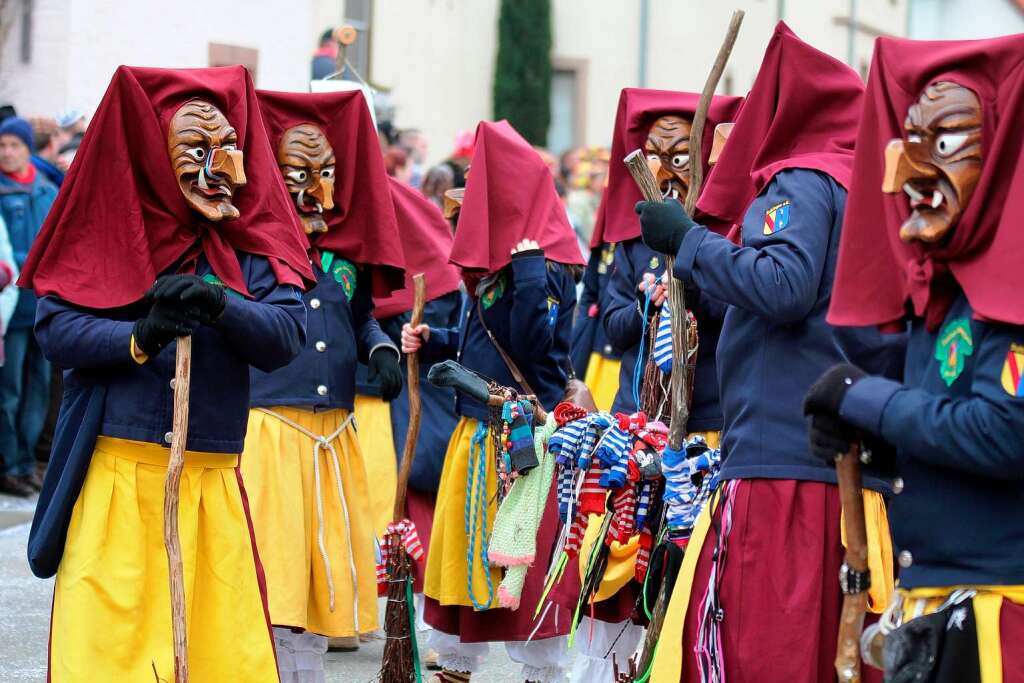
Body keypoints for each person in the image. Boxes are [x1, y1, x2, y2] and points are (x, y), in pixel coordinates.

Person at [21, 65, 313, 682]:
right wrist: (139, 336)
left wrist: (221, 303)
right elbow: (56, 329)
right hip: (118, 481)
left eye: (225, 147)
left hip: (212, 487)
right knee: (110, 656)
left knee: (218, 656)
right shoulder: (106, 229)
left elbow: (285, 336)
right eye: (196, 150)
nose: (220, 166)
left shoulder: (252, 241)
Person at [639, 24, 900, 683]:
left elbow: (784, 287)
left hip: (784, 471)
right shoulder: (858, 186)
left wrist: (689, 245)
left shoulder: (803, 178)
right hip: (828, 467)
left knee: (764, 656)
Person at [807, 32, 1024, 681]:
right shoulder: (949, 293)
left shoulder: (1011, 292)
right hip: (941, 602)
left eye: (948, 142)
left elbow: (1004, 432)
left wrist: (865, 396)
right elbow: (941, 425)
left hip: (995, 614)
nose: (901, 173)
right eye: (907, 142)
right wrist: (868, 438)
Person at [557, 88, 741, 681]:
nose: (666, 171)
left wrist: (691, 288)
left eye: (680, 156)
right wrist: (647, 302)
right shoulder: (629, 244)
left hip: (706, 421)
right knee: (619, 555)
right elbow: (609, 325)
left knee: (686, 561)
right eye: (655, 156)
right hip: (638, 421)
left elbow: (737, 309)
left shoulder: (722, 233)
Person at [402, 120, 584, 683]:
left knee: (531, 583)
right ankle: (457, 670)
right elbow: (483, 343)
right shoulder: (484, 265)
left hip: (528, 446)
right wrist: (436, 340)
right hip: (476, 435)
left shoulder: (549, 267)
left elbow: (533, 348)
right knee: (464, 570)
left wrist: (530, 273)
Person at [242, 88, 406, 674]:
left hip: (334, 435)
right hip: (269, 433)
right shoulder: (247, 247)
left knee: (320, 583)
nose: (316, 188)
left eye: (327, 172)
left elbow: (360, 314)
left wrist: (381, 347)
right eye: (298, 173)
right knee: (274, 578)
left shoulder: (347, 251)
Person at [0, 116, 58, 497]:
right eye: (2, 146)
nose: (7, 152)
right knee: (10, 391)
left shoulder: (47, 191)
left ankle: (28, 463)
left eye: (15, 145)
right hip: (10, 311)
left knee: (39, 387)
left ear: (28, 149)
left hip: (45, 307)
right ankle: (10, 464)